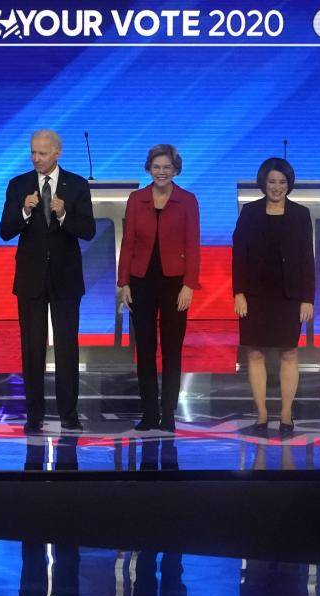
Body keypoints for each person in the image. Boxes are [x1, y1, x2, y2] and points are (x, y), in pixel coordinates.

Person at [0, 130, 95, 432]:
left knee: (67, 348)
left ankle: (69, 414)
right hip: (31, 279)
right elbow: (5, 231)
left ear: (57, 153)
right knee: (32, 348)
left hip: (66, 279)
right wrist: (25, 211)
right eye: (33, 152)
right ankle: (34, 415)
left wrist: (64, 214)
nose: (36, 158)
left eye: (42, 153)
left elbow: (88, 230)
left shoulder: (77, 185)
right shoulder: (19, 185)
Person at [117, 144, 200, 431]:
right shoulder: (136, 198)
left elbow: (193, 245)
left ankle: (168, 413)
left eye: (167, 167)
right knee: (146, 348)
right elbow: (127, 243)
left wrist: (189, 284)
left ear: (175, 170)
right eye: (156, 166)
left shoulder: (187, 200)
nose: (161, 172)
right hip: (140, 281)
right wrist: (123, 282)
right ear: (148, 169)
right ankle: (149, 412)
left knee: (172, 348)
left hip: (175, 283)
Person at [232, 157, 314, 433]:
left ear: (289, 184)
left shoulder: (301, 215)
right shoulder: (249, 212)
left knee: (288, 352)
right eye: (272, 182)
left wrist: (307, 298)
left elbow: (307, 259)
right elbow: (239, 255)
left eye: (282, 182)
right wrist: (239, 293)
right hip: (255, 294)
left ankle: (286, 413)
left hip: (288, 295)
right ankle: (262, 414)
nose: (277, 187)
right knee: (254, 352)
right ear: (263, 183)